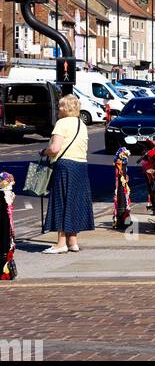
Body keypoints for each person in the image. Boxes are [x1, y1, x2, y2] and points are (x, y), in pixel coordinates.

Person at [42, 93, 94, 254]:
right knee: (74, 202)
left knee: (61, 202)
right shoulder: (81, 124)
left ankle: (61, 243)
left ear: (66, 108)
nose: (58, 108)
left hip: (64, 166)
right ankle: (73, 241)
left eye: (60, 106)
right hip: (81, 166)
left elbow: (55, 149)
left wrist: (44, 151)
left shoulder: (61, 123)